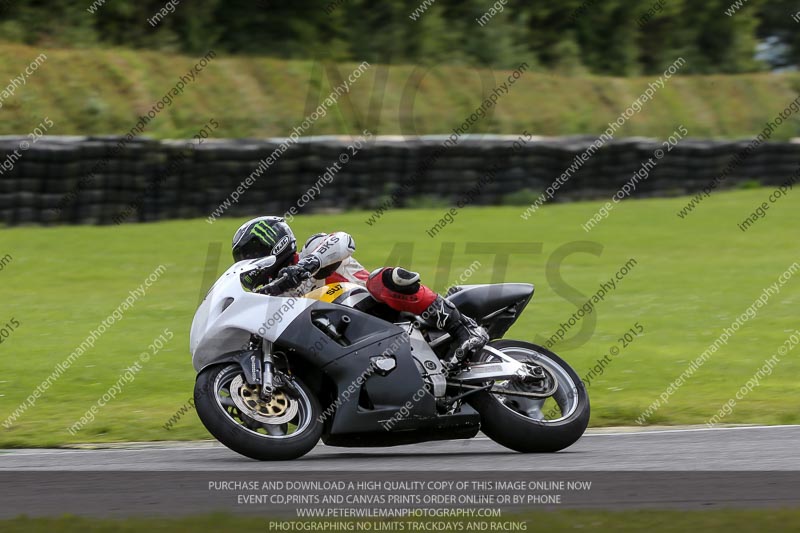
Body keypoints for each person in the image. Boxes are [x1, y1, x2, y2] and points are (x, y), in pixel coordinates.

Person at [231, 216, 488, 363]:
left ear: (275, 242)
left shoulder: (312, 251)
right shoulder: (271, 296)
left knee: (382, 279)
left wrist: (308, 266)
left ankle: (462, 326)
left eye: (253, 252)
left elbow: (343, 240)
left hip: (372, 309)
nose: (250, 260)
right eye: (245, 257)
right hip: (341, 344)